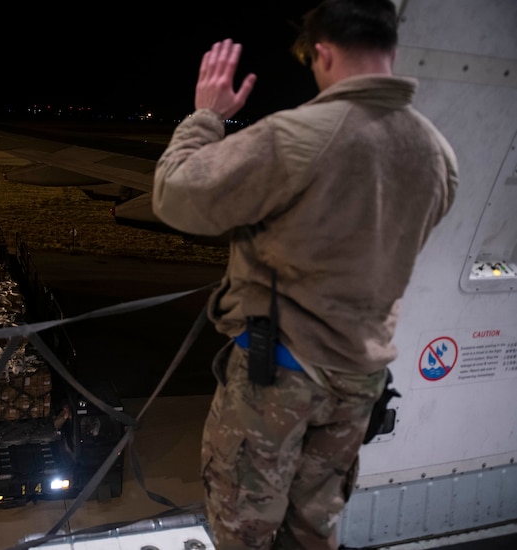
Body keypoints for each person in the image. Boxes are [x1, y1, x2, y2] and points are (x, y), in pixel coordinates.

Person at [152, 1, 458, 548]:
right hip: (359, 379)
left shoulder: (298, 135)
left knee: (245, 528)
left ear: (321, 52)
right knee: (314, 530)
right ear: (391, 49)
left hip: (280, 378)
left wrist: (206, 117)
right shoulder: (437, 154)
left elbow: (176, 196)